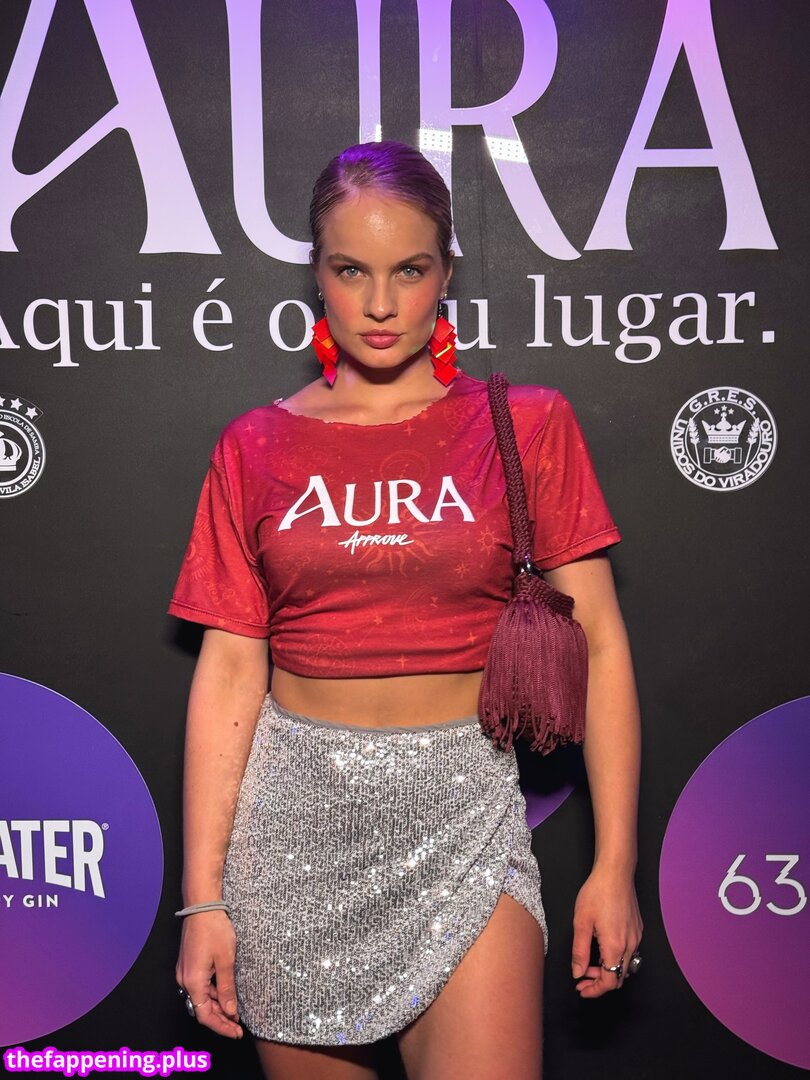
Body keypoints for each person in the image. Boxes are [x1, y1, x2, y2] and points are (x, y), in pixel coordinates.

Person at [169, 140, 642, 1080]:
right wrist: (202, 898)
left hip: (466, 818)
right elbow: (228, 670)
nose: (380, 305)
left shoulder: (526, 424)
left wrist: (615, 864)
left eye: (410, 270)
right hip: (292, 837)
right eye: (352, 271)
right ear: (317, 273)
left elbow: (598, 645)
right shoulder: (254, 445)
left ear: (446, 275)